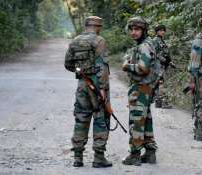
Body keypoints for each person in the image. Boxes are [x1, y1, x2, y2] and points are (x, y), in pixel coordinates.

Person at [64, 16, 112, 168]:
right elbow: (102, 67)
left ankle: (78, 157)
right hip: (97, 85)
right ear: (97, 26)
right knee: (100, 118)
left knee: (81, 118)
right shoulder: (99, 40)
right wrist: (103, 89)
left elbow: (68, 63)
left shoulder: (75, 41)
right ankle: (99, 158)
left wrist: (80, 72)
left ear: (86, 26)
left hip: (82, 84)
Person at [121, 16, 159, 166]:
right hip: (145, 88)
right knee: (146, 120)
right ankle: (150, 153)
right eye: (131, 29)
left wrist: (126, 66)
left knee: (136, 121)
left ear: (143, 30)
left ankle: (135, 154)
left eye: (137, 29)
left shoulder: (144, 46)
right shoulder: (144, 44)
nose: (133, 32)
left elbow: (143, 68)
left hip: (140, 87)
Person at [153, 25, 173, 109]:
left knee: (159, 83)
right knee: (161, 83)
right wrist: (163, 60)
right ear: (157, 32)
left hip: (163, 65)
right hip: (158, 65)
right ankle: (163, 103)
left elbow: (165, 53)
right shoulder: (155, 41)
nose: (163, 32)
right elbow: (154, 53)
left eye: (163, 30)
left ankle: (158, 102)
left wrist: (170, 62)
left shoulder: (162, 41)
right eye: (161, 30)